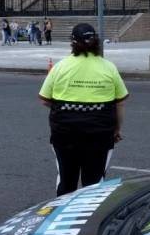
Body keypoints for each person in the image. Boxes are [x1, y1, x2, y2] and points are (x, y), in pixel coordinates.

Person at [38, 23, 129, 196]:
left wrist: (67, 108)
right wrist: (117, 129)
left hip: (64, 134)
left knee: (66, 181)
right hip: (100, 134)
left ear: (72, 42)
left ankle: (62, 218)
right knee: (94, 184)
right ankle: (90, 220)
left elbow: (44, 100)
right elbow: (120, 103)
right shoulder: (109, 67)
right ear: (96, 42)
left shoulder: (60, 67)